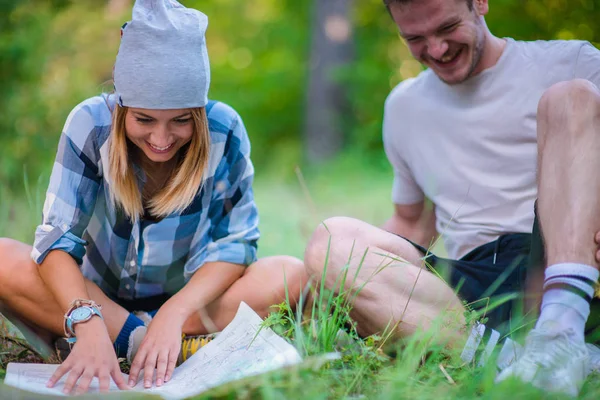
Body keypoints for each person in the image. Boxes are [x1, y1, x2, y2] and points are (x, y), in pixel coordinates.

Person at [0, 0, 307, 395]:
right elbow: (56, 239)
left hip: (189, 307)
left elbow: (236, 244)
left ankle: (145, 341)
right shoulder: (90, 123)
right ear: (122, 107)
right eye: (144, 119)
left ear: (198, 112)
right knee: (4, 258)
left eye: (181, 121)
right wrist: (87, 318)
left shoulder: (224, 129)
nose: (161, 140)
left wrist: (173, 315)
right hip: (95, 299)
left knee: (290, 274)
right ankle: (136, 343)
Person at [304, 0, 600, 396]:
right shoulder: (404, 107)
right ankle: (512, 360)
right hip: (468, 289)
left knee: (571, 97)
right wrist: (340, 279)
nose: (437, 50)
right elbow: (411, 223)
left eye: (447, 28)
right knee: (331, 241)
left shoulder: (574, 62)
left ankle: (560, 332)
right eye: (415, 38)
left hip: (563, 260)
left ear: (480, 2)